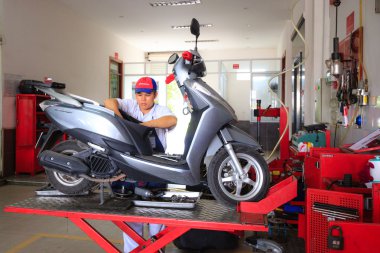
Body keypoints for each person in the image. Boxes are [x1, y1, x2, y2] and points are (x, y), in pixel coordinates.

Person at [104, 76, 177, 253]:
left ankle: (157, 249)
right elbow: (108, 101)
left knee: (156, 218)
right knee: (131, 220)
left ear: (155, 95)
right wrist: (121, 120)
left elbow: (171, 120)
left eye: (148, 95)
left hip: (155, 167)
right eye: (139, 94)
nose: (143, 99)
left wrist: (142, 126)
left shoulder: (160, 110)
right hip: (130, 168)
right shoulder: (130, 105)